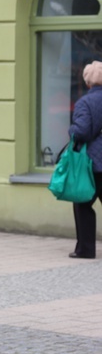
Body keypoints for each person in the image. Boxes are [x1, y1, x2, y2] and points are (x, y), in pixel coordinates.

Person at [68, 60, 102, 259]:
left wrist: (71, 130)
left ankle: (85, 249)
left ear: (88, 82)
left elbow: (80, 132)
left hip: (92, 165)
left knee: (83, 204)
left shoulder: (85, 103)